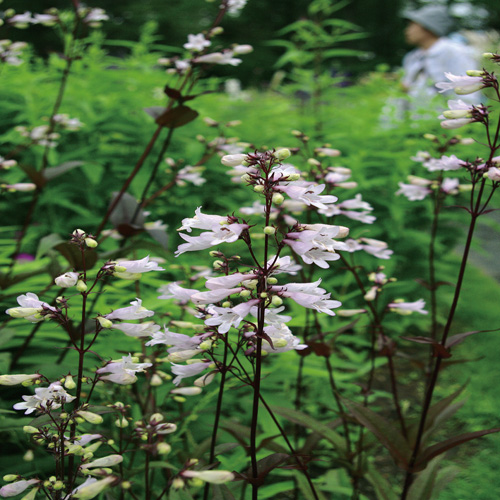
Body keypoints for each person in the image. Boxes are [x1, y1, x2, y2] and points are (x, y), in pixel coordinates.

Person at [401, 5, 480, 106]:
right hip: (415, 120)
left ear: (427, 27)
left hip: (442, 120)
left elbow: (467, 95)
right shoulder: (412, 57)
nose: (407, 30)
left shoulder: (456, 53)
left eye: (412, 25)